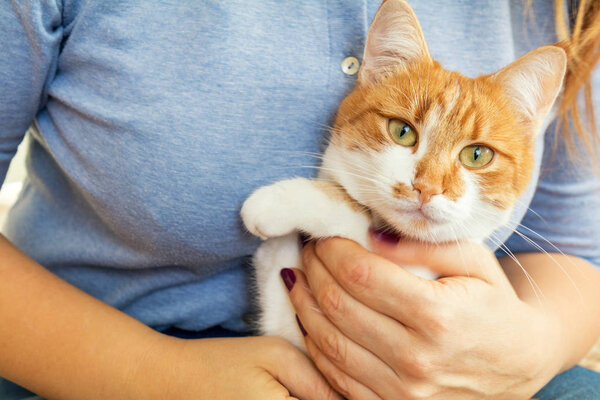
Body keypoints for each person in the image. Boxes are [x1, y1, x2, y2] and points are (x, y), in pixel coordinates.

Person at [0, 1, 599, 399]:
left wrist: (529, 350)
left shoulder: (564, 13)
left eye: (472, 157)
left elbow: (578, 255)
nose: (428, 185)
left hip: (452, 375)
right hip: (85, 355)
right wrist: (157, 377)